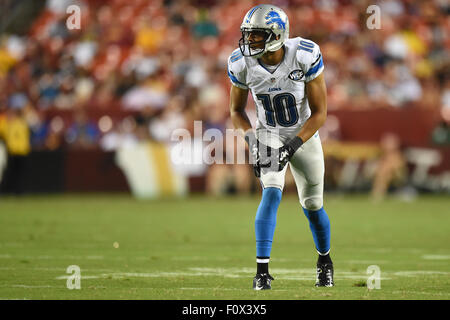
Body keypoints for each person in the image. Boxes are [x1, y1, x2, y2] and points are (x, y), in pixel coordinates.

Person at [228, 4, 333, 290]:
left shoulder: (304, 54)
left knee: (312, 205)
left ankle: (324, 261)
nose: (249, 41)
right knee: (272, 191)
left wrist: (294, 145)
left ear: (276, 34)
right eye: (248, 35)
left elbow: (320, 112)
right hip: (268, 133)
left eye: (256, 36)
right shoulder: (241, 63)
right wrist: (252, 142)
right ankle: (262, 272)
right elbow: (236, 111)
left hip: (303, 132)